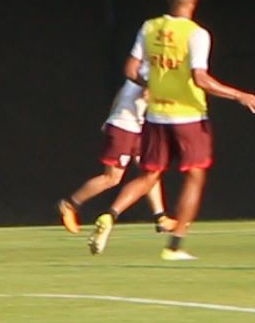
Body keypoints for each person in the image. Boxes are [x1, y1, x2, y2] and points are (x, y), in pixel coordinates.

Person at [89, 0, 255, 260]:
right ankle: (174, 246)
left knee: (149, 175)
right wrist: (239, 95)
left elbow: (130, 68)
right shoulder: (196, 34)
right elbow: (201, 79)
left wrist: (152, 84)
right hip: (188, 116)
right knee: (195, 177)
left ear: (169, 2)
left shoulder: (150, 28)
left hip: (157, 116)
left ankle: (110, 215)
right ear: (193, 2)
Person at [56, 74, 170, 234]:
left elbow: (122, 93)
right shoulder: (151, 70)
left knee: (150, 171)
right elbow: (147, 94)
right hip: (124, 126)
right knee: (112, 178)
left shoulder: (147, 69)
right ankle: (69, 205)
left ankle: (161, 218)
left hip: (135, 126)